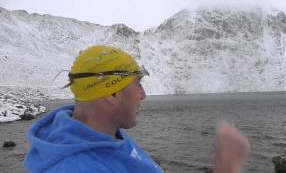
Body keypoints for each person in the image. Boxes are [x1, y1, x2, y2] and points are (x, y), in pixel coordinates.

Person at [24, 45, 249, 173]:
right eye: (138, 85)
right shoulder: (76, 168)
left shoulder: (106, 137)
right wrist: (227, 167)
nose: (143, 95)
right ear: (112, 93)